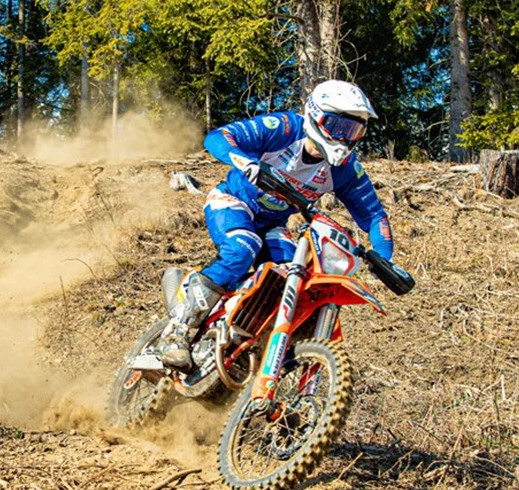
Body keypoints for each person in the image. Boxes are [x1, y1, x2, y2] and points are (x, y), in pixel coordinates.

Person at [159, 79, 395, 369]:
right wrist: (245, 162)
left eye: (355, 131)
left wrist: (384, 259)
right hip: (233, 202)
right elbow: (219, 137)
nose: (345, 138)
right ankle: (178, 331)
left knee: (292, 280)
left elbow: (374, 216)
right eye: (339, 127)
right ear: (315, 115)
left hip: (273, 223)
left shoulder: (344, 168)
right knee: (242, 248)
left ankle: (245, 344)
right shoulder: (285, 128)